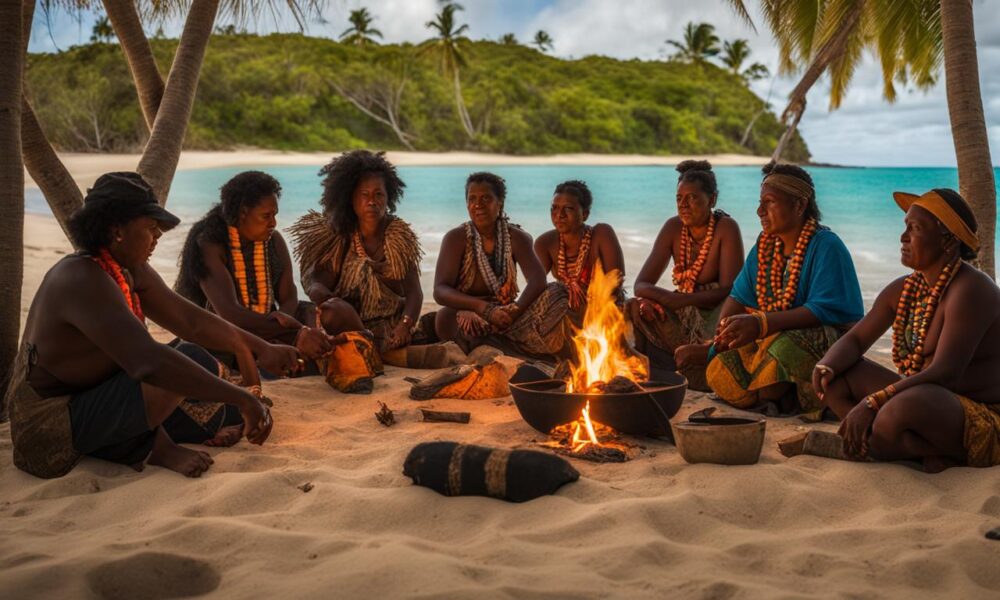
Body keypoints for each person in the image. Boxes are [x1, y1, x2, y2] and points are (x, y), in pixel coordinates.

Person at [5, 172, 298, 479]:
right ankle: (158, 449)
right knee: (173, 374)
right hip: (49, 425)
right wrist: (243, 397)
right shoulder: (81, 278)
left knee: (194, 358)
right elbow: (148, 363)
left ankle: (155, 438)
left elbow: (191, 322)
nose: (158, 235)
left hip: (96, 395)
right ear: (117, 230)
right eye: (151, 227)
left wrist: (261, 347)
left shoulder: (130, 270)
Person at [813, 189, 1000, 471]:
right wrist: (826, 365)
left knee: (900, 409)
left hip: (982, 415)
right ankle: (898, 446)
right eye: (905, 226)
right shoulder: (905, 289)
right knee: (837, 378)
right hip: (930, 403)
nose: (903, 237)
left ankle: (885, 443)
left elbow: (945, 373)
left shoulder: (972, 289)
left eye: (915, 228)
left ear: (948, 240)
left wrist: (873, 402)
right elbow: (855, 339)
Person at [705, 163, 864, 419]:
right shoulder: (765, 245)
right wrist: (723, 335)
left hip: (827, 341)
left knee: (783, 348)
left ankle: (777, 395)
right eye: (760, 202)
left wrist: (760, 324)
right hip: (770, 334)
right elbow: (738, 296)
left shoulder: (826, 246)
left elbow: (821, 310)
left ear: (800, 206)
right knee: (720, 365)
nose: (759, 211)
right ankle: (772, 395)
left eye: (769, 202)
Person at [175, 171, 338, 371]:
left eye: (275, 215)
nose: (273, 223)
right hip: (218, 329)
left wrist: (286, 321)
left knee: (316, 311)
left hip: (266, 321)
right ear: (242, 214)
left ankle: (300, 349)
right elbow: (229, 313)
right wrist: (294, 333)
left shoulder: (274, 241)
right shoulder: (210, 244)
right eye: (266, 216)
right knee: (219, 320)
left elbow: (289, 295)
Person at [288, 150, 423, 392]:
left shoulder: (398, 236)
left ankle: (364, 352)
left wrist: (405, 325)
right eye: (365, 195)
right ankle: (361, 352)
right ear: (350, 199)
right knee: (325, 312)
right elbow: (316, 282)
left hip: (385, 327)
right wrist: (325, 296)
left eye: (379, 194)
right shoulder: (337, 235)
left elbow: (415, 293)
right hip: (344, 321)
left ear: (389, 197)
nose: (372, 201)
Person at [627, 160, 744, 389]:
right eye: (679, 198)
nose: (684, 205)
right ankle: (654, 370)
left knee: (730, 327)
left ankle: (696, 363)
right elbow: (641, 283)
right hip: (683, 308)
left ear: (711, 200)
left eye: (692, 198)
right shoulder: (673, 228)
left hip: (717, 313)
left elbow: (731, 289)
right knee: (632, 307)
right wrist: (655, 300)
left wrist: (682, 300)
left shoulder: (726, 227)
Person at [434, 172, 569, 359]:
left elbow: (537, 280)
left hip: (507, 315)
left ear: (500, 203)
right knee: (445, 318)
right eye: (472, 199)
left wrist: (515, 310)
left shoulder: (517, 237)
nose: (478, 205)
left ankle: (502, 347)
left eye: (486, 198)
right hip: (467, 313)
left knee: (558, 291)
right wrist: (481, 309)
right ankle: (508, 350)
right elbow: (440, 290)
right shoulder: (456, 238)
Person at [533, 180, 625, 316]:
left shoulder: (602, 234)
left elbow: (616, 282)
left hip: (604, 310)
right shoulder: (545, 243)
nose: (559, 214)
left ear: (585, 214)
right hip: (566, 308)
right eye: (555, 208)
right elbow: (535, 285)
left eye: (568, 208)